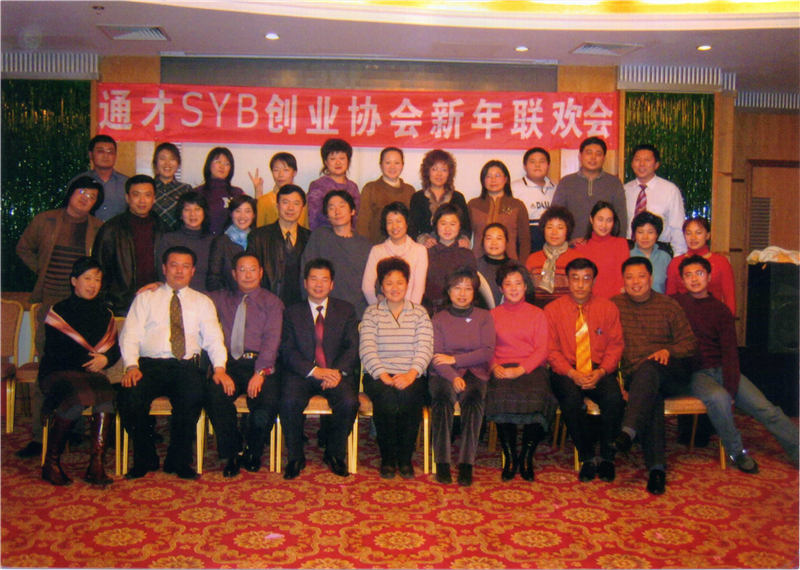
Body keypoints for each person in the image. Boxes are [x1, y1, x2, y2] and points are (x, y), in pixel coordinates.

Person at [673, 255, 799, 469]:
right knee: (719, 397)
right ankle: (737, 452)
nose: (694, 279)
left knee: (766, 409)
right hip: (697, 373)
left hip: (724, 370)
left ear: (709, 277)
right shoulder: (675, 304)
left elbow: (730, 352)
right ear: (682, 280)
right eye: (688, 275)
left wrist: (731, 387)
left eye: (699, 273)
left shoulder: (721, 310)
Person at [118, 246, 229, 480]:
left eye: (185, 266)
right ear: (164, 268)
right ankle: (145, 457)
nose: (179, 271)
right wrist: (131, 366)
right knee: (129, 397)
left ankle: (178, 460)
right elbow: (130, 334)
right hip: (148, 366)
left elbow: (213, 338)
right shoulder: (145, 298)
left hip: (185, 366)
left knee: (192, 397)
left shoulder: (203, 302)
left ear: (193, 271)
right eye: (174, 265)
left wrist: (219, 368)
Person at [15, 176, 106, 459]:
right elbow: (23, 248)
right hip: (51, 304)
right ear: (70, 193)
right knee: (49, 367)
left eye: (92, 196)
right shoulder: (46, 220)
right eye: (82, 192)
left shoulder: (98, 227)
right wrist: (43, 270)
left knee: (80, 366)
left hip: (82, 306)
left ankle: (73, 430)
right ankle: (39, 436)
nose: (86, 198)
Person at [611, 257, 697, 495]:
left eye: (641, 276)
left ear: (650, 278)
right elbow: (604, 343)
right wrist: (615, 380)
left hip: (671, 374)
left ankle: (628, 430)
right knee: (652, 396)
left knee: (650, 369)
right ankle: (657, 470)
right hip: (637, 379)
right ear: (623, 280)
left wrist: (668, 350)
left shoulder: (668, 306)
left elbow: (690, 343)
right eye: (629, 277)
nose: (635, 282)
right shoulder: (614, 306)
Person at [39, 257, 120, 486]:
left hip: (89, 375)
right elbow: (55, 351)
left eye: (97, 279)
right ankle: (51, 463)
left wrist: (106, 358)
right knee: (76, 398)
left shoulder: (105, 314)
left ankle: (96, 465)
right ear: (74, 281)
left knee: (106, 399)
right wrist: (91, 361)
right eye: (87, 278)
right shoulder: (58, 311)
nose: (93, 284)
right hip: (57, 372)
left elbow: (115, 349)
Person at [545, 258, 625, 483]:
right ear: (567, 281)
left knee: (614, 399)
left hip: (599, 369)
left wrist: (601, 372)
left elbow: (616, 346)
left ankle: (608, 457)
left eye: (586, 279)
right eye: (575, 279)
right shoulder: (552, 310)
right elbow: (551, 350)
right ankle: (587, 457)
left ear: (594, 282)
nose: (580, 285)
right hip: (566, 370)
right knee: (571, 401)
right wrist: (572, 373)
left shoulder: (608, 308)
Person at [280, 258, 360, 479]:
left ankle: (334, 454)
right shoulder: (291, 312)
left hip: (334, 373)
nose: (319, 284)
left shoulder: (346, 310)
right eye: (314, 279)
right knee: (289, 401)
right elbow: (287, 350)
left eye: (324, 280)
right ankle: (295, 457)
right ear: (305, 283)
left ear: (331, 284)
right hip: (303, 374)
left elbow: (353, 347)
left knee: (349, 402)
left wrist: (336, 372)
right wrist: (314, 371)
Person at [206, 252, 283, 477]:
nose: (247, 275)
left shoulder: (272, 303)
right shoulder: (221, 298)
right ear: (233, 274)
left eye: (252, 270)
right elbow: (188, 295)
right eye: (242, 270)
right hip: (229, 365)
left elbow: (272, 340)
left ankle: (254, 451)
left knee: (267, 403)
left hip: (261, 364)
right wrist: (157, 285)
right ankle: (232, 452)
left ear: (261, 272)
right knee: (215, 396)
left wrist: (260, 372)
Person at [360, 257, 433, 479]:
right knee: (388, 402)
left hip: (412, 374)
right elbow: (367, 349)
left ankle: (405, 458)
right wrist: (383, 375)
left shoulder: (419, 313)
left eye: (400, 282)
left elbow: (425, 348)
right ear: (381, 286)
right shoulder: (371, 313)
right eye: (389, 283)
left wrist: (411, 374)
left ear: (407, 284)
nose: (395, 287)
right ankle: (388, 458)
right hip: (378, 375)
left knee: (410, 399)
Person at [488, 264, 556, 482]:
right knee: (500, 395)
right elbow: (487, 348)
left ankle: (527, 456)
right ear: (501, 288)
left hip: (531, 367)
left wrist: (521, 369)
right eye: (508, 284)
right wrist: (494, 366)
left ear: (526, 286)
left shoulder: (538, 314)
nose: (514, 288)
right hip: (501, 366)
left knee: (539, 396)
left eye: (518, 283)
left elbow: (542, 349)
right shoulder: (492, 315)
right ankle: (510, 457)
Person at [429, 267, 495, 486]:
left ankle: (467, 463)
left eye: (468, 288)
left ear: (474, 292)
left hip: (475, 370)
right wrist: (453, 376)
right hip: (443, 373)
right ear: (448, 291)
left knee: (474, 399)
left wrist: (456, 360)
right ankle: (442, 462)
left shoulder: (484, 317)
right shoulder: (438, 319)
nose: (462, 293)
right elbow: (436, 356)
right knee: (442, 398)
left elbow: (486, 352)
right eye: (457, 288)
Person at [92, 174, 167, 316]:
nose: (142, 200)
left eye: (147, 195)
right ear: (127, 197)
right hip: (121, 305)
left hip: (156, 303)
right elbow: (98, 270)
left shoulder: (164, 229)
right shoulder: (111, 229)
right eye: (136, 195)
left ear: (154, 199)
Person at [301, 190, 371, 319]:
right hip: (326, 312)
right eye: (331, 208)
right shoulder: (320, 237)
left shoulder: (365, 245)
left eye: (342, 206)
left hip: (358, 313)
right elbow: (305, 273)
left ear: (352, 211)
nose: (337, 212)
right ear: (327, 215)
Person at [247, 184, 310, 308]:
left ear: (302, 208)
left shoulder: (310, 238)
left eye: (296, 203)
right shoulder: (258, 237)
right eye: (285, 202)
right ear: (277, 206)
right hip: (267, 306)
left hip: (301, 307)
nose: (290, 208)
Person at [552, 136, 627, 237]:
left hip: (605, 244)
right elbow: (555, 216)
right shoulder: (566, 182)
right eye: (589, 153)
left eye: (598, 154)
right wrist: (567, 242)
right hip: (573, 244)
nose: (593, 157)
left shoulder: (614, 183)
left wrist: (619, 242)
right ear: (580, 156)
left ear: (604, 158)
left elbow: (621, 218)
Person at [624, 144, 687, 255]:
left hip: (660, 250)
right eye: (637, 160)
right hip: (629, 249)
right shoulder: (625, 190)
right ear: (632, 164)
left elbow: (677, 228)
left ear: (656, 164)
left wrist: (678, 257)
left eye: (647, 160)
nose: (641, 164)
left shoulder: (670, 190)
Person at [666, 217, 736, 316]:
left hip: (714, 316)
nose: (693, 237)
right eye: (688, 233)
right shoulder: (675, 263)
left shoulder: (721, 262)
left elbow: (729, 297)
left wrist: (728, 320)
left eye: (698, 233)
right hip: (683, 317)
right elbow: (670, 298)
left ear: (707, 235)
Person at [362, 202, 428, 306]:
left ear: (406, 223)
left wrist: (411, 311)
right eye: (390, 222)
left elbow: (419, 288)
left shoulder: (420, 250)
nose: (394, 226)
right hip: (384, 310)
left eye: (398, 221)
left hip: (411, 310)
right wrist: (378, 308)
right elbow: (367, 286)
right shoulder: (377, 251)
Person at [468, 160, 531, 262]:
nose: (493, 180)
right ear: (483, 180)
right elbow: (465, 234)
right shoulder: (473, 205)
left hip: (509, 263)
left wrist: (521, 265)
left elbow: (525, 240)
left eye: (497, 175)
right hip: (478, 262)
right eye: (489, 176)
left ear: (505, 179)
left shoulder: (517, 205)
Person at [423, 203, 477, 316]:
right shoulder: (426, 253)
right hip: (431, 311)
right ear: (436, 225)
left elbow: (472, 286)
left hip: (460, 311)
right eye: (443, 223)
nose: (447, 229)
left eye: (453, 224)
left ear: (459, 226)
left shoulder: (467, 254)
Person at [409, 149, 471, 247]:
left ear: (449, 173)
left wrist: (464, 240)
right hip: (424, 249)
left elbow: (466, 227)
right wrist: (424, 239)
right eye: (434, 169)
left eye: (444, 170)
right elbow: (412, 228)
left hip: (452, 248)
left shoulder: (458, 197)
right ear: (427, 172)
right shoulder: (418, 198)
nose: (439, 174)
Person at [155, 192, 214, 291]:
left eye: (197, 209)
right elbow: (162, 274)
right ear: (180, 215)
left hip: (206, 296)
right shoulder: (168, 239)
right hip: (174, 294)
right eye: (187, 210)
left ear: (204, 213)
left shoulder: (213, 241)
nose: (192, 214)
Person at [357, 147, 416, 245]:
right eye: (388, 163)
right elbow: (363, 224)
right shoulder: (370, 189)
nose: (392, 167)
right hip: (375, 247)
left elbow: (413, 225)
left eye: (397, 163)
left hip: (404, 248)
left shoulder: (410, 191)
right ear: (381, 165)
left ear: (402, 165)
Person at [525, 206, 580, 308]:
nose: (554, 232)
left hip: (569, 313)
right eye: (550, 227)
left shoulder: (577, 258)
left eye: (560, 228)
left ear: (567, 231)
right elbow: (527, 294)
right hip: (539, 315)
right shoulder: (532, 259)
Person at [575, 201, 629, 299]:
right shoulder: (581, 246)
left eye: (609, 220)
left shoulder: (620, 244)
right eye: (600, 219)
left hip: (615, 301)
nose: (604, 225)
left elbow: (621, 278)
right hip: (588, 302)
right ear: (591, 219)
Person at [68, 135, 128, 221]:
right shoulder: (79, 181)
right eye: (101, 151)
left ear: (115, 156)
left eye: (110, 152)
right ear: (91, 154)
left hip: (118, 229)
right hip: (86, 228)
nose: (106, 156)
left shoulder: (126, 183)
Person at [307, 138, 360, 231]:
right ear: (326, 162)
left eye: (342, 158)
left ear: (348, 161)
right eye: (333, 159)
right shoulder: (318, 186)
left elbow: (355, 219)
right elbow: (313, 220)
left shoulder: (353, 187)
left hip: (349, 236)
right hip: (324, 236)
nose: (338, 162)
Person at [207, 194, 258, 292]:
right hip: (228, 297)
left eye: (247, 211)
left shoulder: (259, 240)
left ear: (253, 215)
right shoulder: (221, 242)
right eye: (238, 211)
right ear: (231, 214)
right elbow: (214, 278)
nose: (242, 216)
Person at [511, 147, 556, 254]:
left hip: (552, 240)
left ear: (548, 165)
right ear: (525, 166)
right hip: (525, 240)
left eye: (542, 161)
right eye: (532, 162)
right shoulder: (514, 188)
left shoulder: (557, 188)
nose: (537, 165)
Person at [251, 151, 309, 229]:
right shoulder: (263, 201)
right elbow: (258, 231)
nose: (281, 175)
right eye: (276, 170)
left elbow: (307, 229)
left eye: (286, 170)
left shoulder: (303, 199)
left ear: (294, 173)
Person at [194, 147, 244, 236]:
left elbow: (248, 216)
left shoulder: (237, 193)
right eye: (218, 162)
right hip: (204, 240)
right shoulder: (198, 192)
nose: (222, 166)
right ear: (209, 164)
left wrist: (258, 191)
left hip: (231, 241)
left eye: (227, 163)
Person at [151, 142, 192, 231]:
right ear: (155, 163)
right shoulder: (148, 187)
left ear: (178, 163)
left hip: (178, 237)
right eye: (162, 159)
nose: (167, 163)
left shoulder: (186, 189)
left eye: (172, 159)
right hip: (150, 236)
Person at [630, 211, 671, 293]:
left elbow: (670, 287)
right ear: (634, 234)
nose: (645, 237)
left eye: (650, 232)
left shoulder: (665, 258)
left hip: (660, 300)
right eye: (640, 232)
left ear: (657, 235)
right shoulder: (627, 255)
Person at [477, 223, 512, 307]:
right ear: (483, 242)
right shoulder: (475, 266)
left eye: (499, 238)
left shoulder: (516, 267)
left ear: (506, 242)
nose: (493, 243)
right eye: (489, 238)